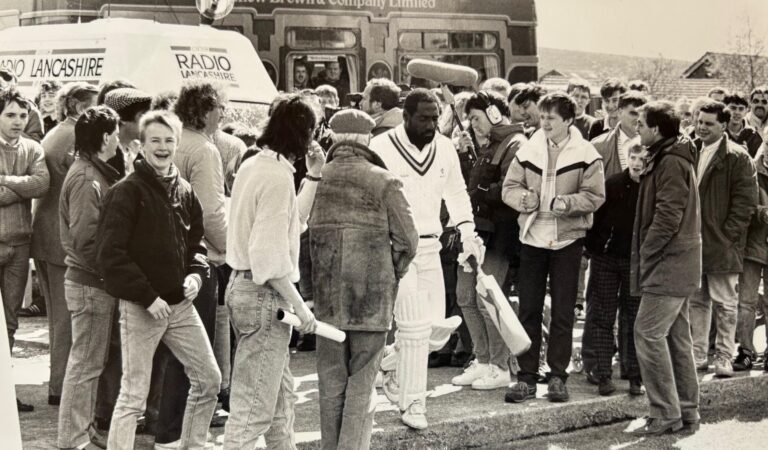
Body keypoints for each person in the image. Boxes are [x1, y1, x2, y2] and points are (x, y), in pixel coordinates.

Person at [96, 110, 221, 449]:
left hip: (180, 306)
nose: (162, 147)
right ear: (141, 145)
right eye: (155, 141)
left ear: (178, 144)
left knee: (209, 380)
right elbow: (111, 256)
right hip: (142, 307)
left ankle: (192, 445)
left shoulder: (184, 190)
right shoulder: (126, 191)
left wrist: (196, 273)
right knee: (133, 395)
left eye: (169, 140)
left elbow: (196, 243)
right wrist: (148, 297)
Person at [370, 88, 484, 429]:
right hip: (397, 249)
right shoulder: (381, 147)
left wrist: (468, 234)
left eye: (435, 118)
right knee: (415, 328)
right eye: (424, 118)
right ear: (405, 117)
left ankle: (390, 366)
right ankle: (413, 403)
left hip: (433, 246)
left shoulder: (446, 147)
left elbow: (457, 193)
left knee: (437, 331)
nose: (432, 124)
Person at [310, 109, 418, 450]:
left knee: (330, 384)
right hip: (371, 299)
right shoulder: (384, 180)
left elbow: (298, 235)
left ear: (334, 139)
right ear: (367, 139)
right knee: (362, 384)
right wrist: (391, 272)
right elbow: (409, 241)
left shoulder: (315, 178)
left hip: (325, 299)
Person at [222, 94, 320, 449]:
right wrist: (301, 305)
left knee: (280, 402)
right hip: (265, 297)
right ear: (304, 133)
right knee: (253, 411)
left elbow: (295, 225)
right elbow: (268, 258)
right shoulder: (276, 177)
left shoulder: (255, 165)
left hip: (244, 289)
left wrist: (314, 177)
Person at [502, 92, 605, 404]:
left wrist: (567, 203)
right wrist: (523, 200)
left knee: (562, 311)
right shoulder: (528, 148)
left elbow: (595, 195)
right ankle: (527, 378)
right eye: (542, 116)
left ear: (569, 120)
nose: (544, 122)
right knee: (529, 309)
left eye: (551, 118)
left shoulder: (587, 153)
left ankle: (558, 377)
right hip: (533, 237)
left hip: (567, 241)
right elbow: (510, 187)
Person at [630, 101, 701, 436]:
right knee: (675, 338)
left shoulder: (670, 160)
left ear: (656, 129)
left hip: (668, 264)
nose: (637, 129)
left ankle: (665, 413)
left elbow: (668, 216)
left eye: (641, 124)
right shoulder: (672, 155)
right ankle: (686, 411)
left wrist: (646, 252)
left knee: (647, 333)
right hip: (678, 263)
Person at [57, 105, 123, 450]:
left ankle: (82, 431)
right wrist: (115, 269)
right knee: (85, 364)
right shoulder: (86, 178)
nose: (119, 139)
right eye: (115, 133)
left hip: (93, 282)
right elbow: (87, 240)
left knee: (91, 362)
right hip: (90, 283)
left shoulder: (91, 172)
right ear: (105, 137)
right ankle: (72, 438)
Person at [451, 91, 526, 390]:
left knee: (487, 299)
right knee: (465, 296)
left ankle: (499, 365)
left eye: (476, 117)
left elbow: (510, 188)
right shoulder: (488, 146)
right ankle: (482, 360)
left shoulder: (515, 144)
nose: (473, 124)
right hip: (476, 232)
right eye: (470, 118)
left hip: (498, 235)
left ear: (495, 114)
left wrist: (483, 189)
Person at [31, 82, 98, 407]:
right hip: (59, 239)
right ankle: (60, 386)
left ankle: (59, 382)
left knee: (60, 318)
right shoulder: (72, 135)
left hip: (47, 235)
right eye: (92, 106)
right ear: (77, 107)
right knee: (65, 318)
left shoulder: (59, 131)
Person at [689, 100, 757, 377]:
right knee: (696, 300)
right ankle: (697, 355)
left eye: (708, 123)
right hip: (693, 242)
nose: (701, 127)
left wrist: (728, 235)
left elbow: (745, 205)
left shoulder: (738, 157)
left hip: (722, 243)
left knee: (725, 302)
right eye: (699, 121)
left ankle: (725, 356)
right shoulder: (689, 150)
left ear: (724, 125)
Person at [0, 87, 49, 412]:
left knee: (11, 322)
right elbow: (30, 184)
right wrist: (23, 184)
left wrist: (6, 182)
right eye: (10, 115)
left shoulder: (32, 148)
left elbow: (42, 184)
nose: (18, 121)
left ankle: (6, 392)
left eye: (22, 115)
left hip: (19, 244)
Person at [583, 141, 645, 397]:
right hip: (606, 260)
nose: (638, 163)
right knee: (602, 316)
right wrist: (596, 248)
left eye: (643, 158)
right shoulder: (612, 184)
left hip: (636, 262)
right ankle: (603, 374)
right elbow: (594, 220)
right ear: (627, 158)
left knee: (633, 319)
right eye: (634, 157)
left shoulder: (652, 187)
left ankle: (634, 375)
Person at [735, 142, 768, 372]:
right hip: (753, 243)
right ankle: (745, 351)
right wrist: (760, 212)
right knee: (746, 301)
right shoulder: (751, 169)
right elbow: (741, 202)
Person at [104, 88, 153, 177]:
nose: (148, 123)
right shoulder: (108, 155)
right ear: (123, 118)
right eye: (142, 116)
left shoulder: (138, 150)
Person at [723, 92, 763, 157]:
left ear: (747, 111)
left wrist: (746, 156)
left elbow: (758, 162)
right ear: (725, 109)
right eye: (733, 108)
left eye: (741, 109)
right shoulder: (719, 132)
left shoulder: (753, 135)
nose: (737, 112)